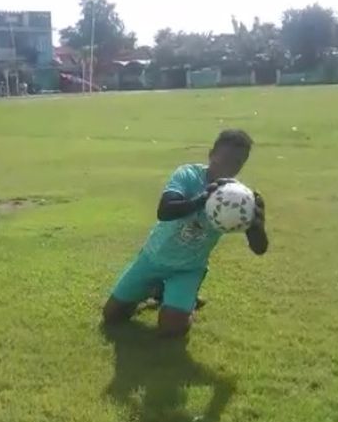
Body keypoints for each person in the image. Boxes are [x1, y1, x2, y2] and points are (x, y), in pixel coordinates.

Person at [102, 129, 269, 337]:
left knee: (172, 329)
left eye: (237, 163)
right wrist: (202, 199)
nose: (228, 167)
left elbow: (259, 248)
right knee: (112, 316)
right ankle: (157, 290)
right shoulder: (188, 175)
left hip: (188, 269)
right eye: (224, 159)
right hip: (152, 258)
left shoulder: (240, 200)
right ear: (211, 154)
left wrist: (256, 225)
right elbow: (165, 211)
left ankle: (181, 299)